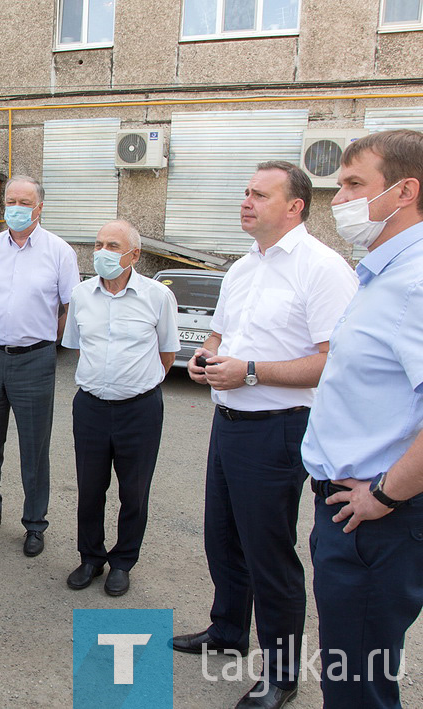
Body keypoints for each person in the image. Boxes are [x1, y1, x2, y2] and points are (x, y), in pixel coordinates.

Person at [168, 161, 358, 709]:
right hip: (228, 424)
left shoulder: (323, 269)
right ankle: (227, 630)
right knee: (221, 536)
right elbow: (221, 332)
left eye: (259, 194)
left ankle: (281, 674)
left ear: (295, 206)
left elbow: (331, 361)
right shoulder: (242, 267)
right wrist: (206, 359)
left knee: (268, 552)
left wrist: (251, 371)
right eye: (244, 192)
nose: (246, 201)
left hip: (278, 429)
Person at [301, 129, 423, 709]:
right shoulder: (382, 273)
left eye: (354, 184)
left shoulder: (415, 282)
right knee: (348, 673)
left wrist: (385, 495)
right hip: (351, 510)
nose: (339, 199)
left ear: (405, 191)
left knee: (357, 687)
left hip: (376, 520)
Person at [0, 175, 80, 557]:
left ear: (39, 207)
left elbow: (67, 308)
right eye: (10, 200)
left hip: (35, 359)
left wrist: (40, 338)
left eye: (24, 201)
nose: (15, 207)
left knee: (34, 447)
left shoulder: (60, 252)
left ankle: (34, 524)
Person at [61, 220, 178, 597]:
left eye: (113, 245)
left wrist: (133, 384)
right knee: (90, 488)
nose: (102, 252)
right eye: (98, 244)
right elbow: (78, 346)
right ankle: (91, 557)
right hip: (91, 407)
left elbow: (167, 353)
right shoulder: (81, 294)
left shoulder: (158, 296)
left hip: (139, 410)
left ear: (134, 255)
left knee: (135, 491)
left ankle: (123, 561)